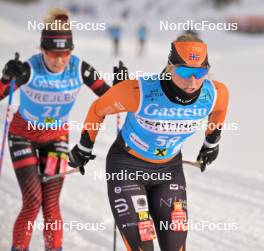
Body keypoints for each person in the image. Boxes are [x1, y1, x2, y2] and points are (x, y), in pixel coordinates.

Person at [68, 34, 229, 251]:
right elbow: (98, 110)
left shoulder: (215, 93)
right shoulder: (138, 91)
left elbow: (219, 112)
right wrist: (84, 147)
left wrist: (211, 143)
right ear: (170, 66)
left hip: (169, 171)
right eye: (184, 71)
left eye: (200, 72)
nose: (192, 81)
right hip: (127, 169)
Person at [0, 8, 110, 251]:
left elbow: (110, 97)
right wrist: (6, 78)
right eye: (52, 52)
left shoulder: (80, 68)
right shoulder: (29, 68)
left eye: (65, 53)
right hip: (23, 135)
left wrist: (125, 87)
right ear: (42, 49)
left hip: (56, 138)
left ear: (71, 51)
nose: (58, 59)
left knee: (50, 204)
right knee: (32, 201)